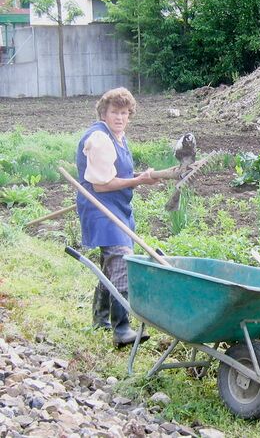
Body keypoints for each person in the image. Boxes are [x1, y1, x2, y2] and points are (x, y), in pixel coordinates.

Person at [76, 87, 159, 348]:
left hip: (118, 209)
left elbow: (118, 176)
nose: (120, 117)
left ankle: (100, 318)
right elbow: (101, 185)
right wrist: (138, 181)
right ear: (104, 113)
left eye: (124, 113)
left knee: (110, 265)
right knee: (122, 261)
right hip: (101, 209)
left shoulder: (119, 137)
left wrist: (141, 178)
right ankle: (122, 329)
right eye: (115, 112)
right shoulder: (99, 138)